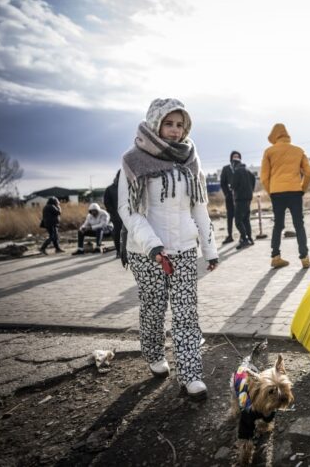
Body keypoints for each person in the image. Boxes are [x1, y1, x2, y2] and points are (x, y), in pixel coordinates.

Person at [118, 97, 219, 400]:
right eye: (169, 123)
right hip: (146, 251)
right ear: (155, 124)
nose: (175, 131)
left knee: (187, 313)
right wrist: (153, 245)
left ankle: (190, 375)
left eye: (180, 124)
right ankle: (153, 353)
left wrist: (210, 249)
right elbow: (128, 209)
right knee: (153, 308)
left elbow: (199, 206)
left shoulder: (191, 160)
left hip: (185, 249)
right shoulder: (134, 160)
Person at [260, 123, 310, 269]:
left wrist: (271, 191)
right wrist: (302, 188)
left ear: (274, 136)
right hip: (295, 191)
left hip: (277, 192)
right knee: (299, 224)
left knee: (278, 224)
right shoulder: (298, 151)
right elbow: (308, 172)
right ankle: (305, 258)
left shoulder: (269, 152)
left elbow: (264, 177)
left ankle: (275, 257)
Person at [231, 157, 256, 250]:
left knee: (238, 221)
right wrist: (250, 191)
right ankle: (250, 238)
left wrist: (232, 187)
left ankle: (245, 239)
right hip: (248, 199)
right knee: (246, 220)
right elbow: (254, 182)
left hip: (240, 199)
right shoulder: (249, 171)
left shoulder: (237, 172)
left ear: (234, 164)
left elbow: (233, 185)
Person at [219, 151, 241, 245]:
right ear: (231, 158)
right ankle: (230, 236)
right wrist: (227, 194)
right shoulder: (226, 168)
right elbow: (222, 183)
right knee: (230, 217)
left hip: (240, 197)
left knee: (241, 217)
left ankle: (243, 236)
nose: (235, 158)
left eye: (237, 156)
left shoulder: (242, 168)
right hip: (230, 197)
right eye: (234, 156)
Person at [103, 170, 124, 258]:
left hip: (128, 215)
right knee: (118, 234)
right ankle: (119, 251)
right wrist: (113, 212)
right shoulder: (110, 189)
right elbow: (107, 203)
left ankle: (128, 251)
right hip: (116, 217)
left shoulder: (126, 186)